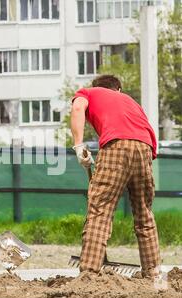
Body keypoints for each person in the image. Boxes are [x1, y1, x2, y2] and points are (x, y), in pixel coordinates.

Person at [70, 75, 161, 278]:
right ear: (118, 89)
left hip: (116, 146)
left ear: (98, 88)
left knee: (100, 210)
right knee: (144, 213)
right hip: (145, 148)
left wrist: (78, 146)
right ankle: (153, 274)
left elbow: (77, 109)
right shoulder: (130, 101)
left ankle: (90, 273)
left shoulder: (89, 93)